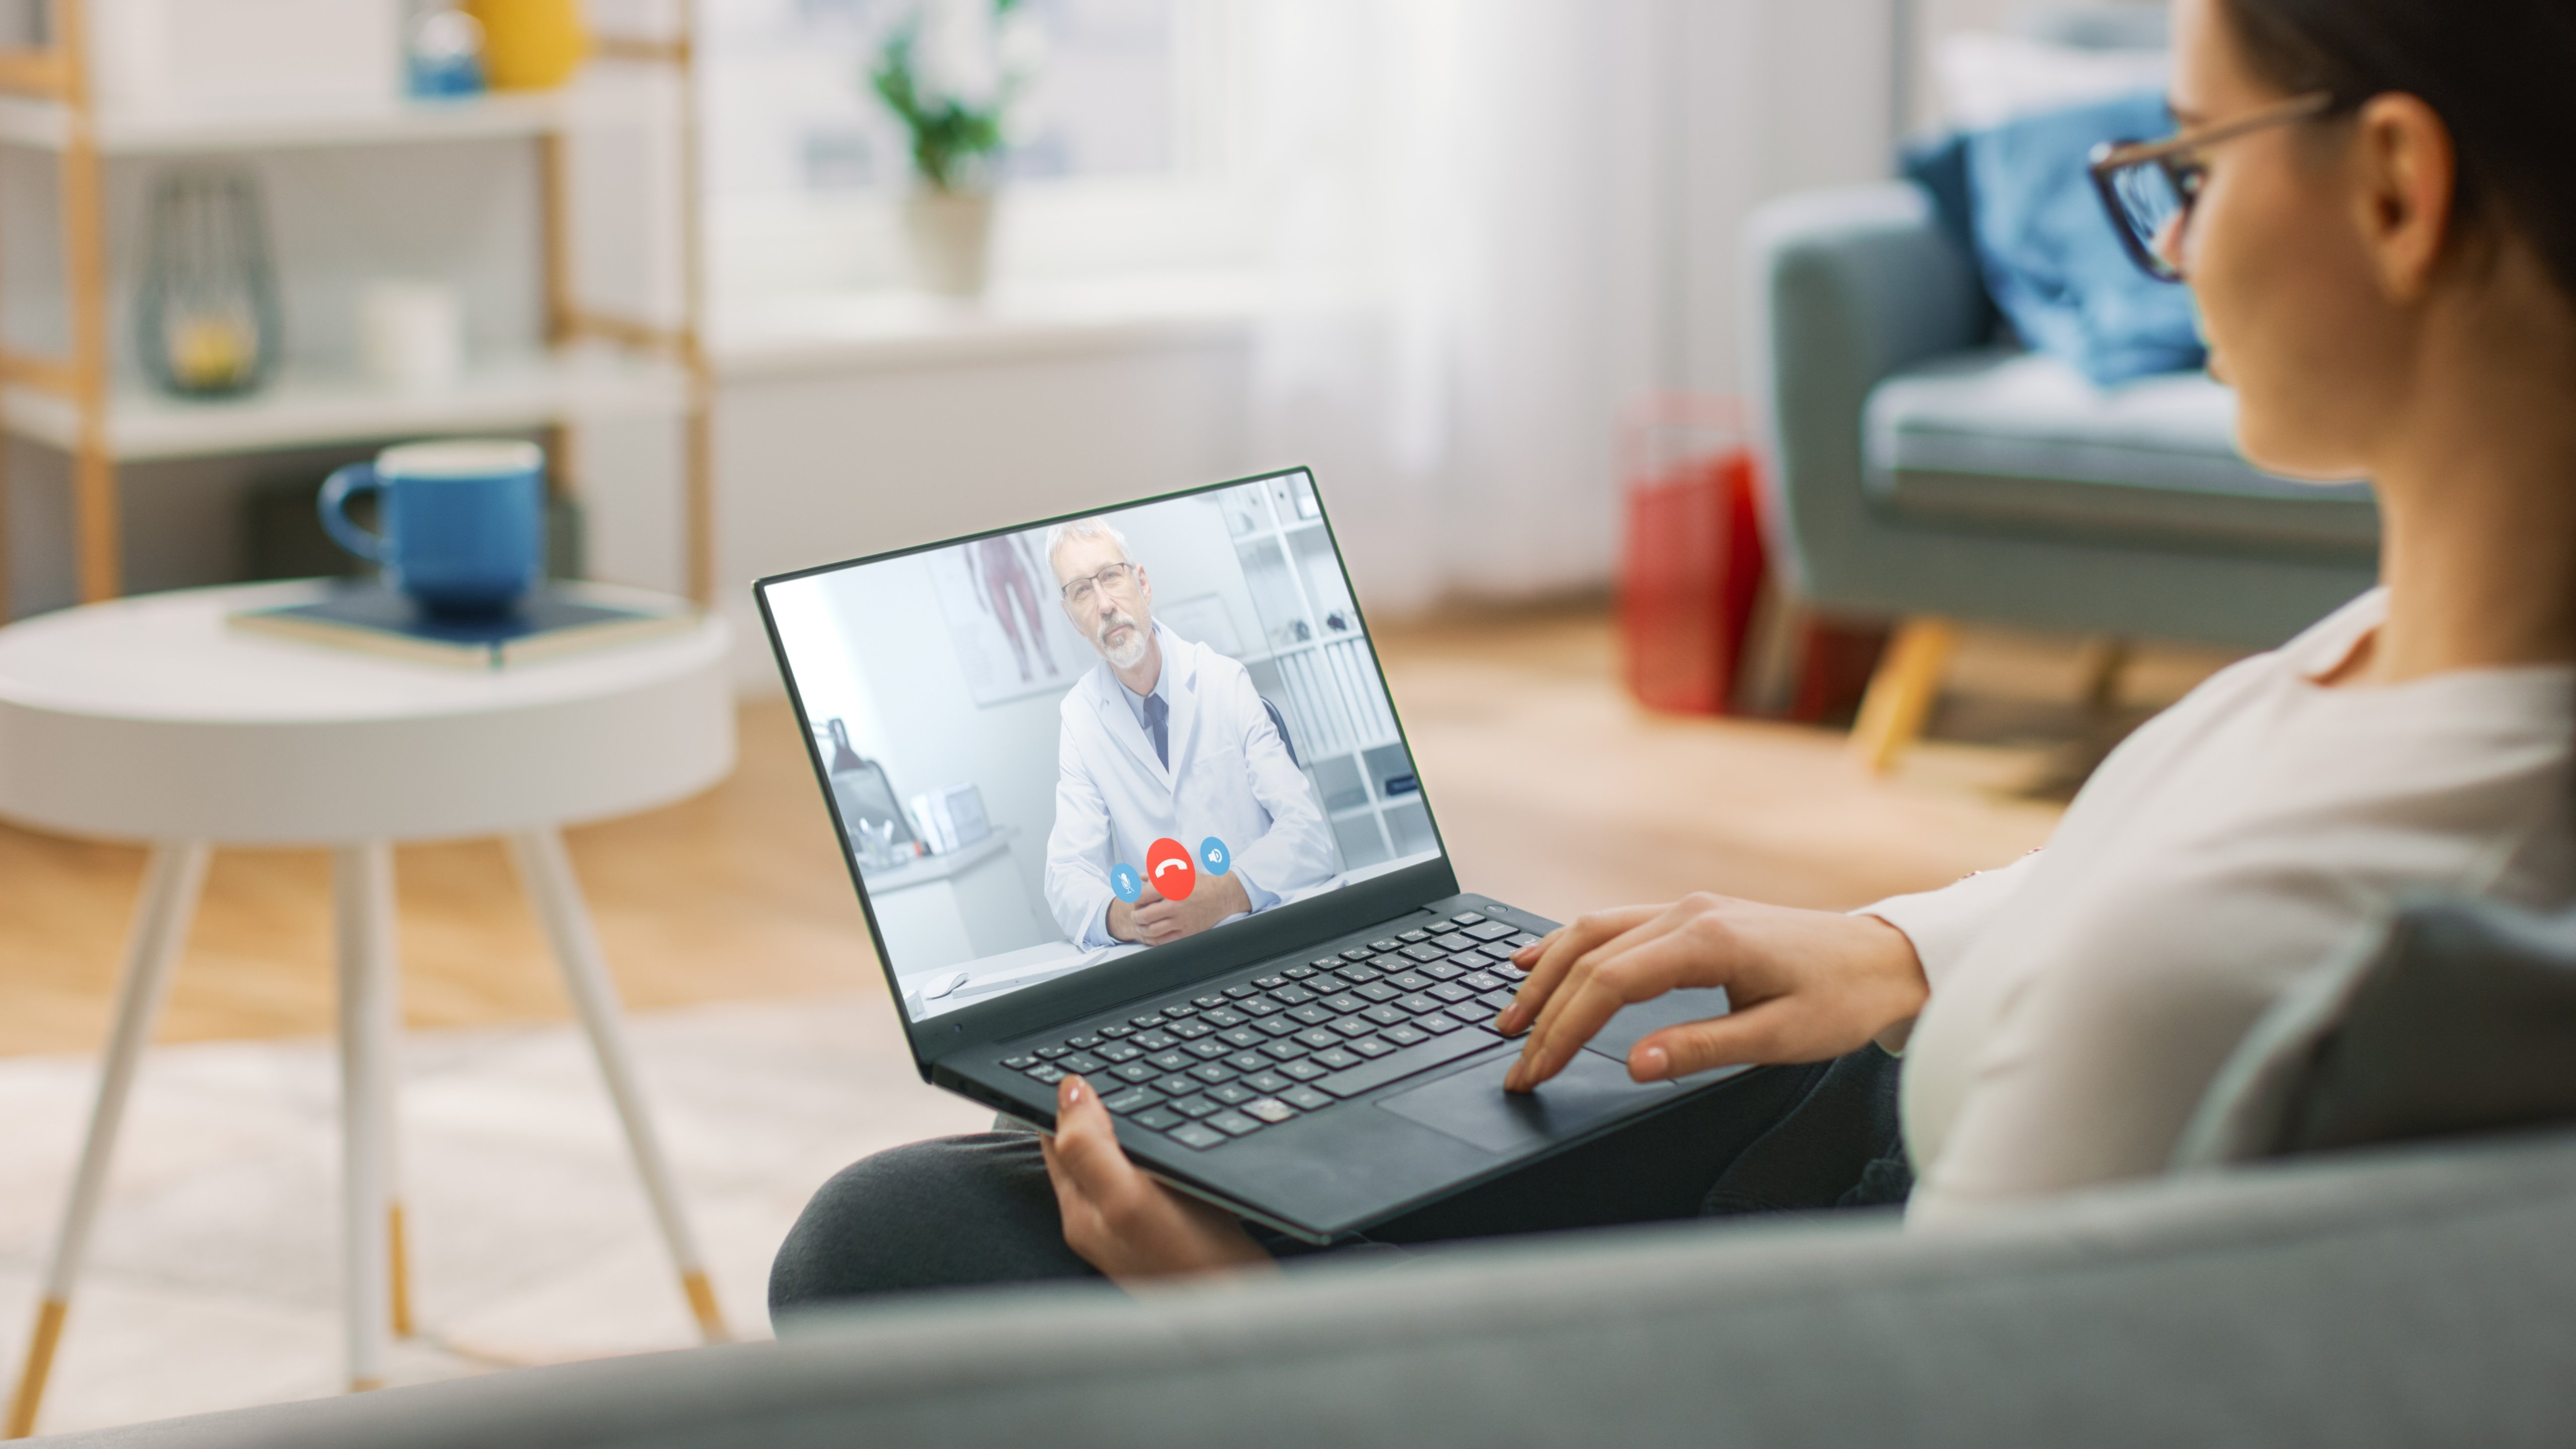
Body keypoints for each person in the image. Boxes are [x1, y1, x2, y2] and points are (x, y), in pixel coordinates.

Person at [770, 0, 2576, 1306]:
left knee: (888, 1249)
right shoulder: (2423, 659)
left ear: (2399, 191)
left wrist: (1251, 1338)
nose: (2166, 239)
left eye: (2184, 162)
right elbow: (2151, 866)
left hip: (1835, 1245)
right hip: (1873, 1093)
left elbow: (1871, 1407)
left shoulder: (2237, 968)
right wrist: (1890, 945)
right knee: (1005, 1201)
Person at [1039, 517, 1335, 949]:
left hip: (1266, 934)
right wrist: (1124, 917)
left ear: (1142, 582)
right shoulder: (1080, 719)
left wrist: (1225, 894)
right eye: (1082, 590)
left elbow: (1308, 836)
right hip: (1172, 956)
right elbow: (1067, 873)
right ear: (1072, 617)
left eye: (1110, 576)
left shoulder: (1223, 680)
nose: (1103, 604)